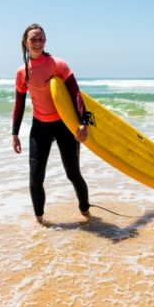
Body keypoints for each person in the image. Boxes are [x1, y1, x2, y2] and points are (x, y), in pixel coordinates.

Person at [11, 23, 91, 225]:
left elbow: (75, 92)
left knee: (73, 173)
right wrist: (15, 133)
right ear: (25, 43)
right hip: (40, 127)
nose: (38, 42)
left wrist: (83, 122)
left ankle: (86, 213)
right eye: (33, 39)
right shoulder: (22, 72)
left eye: (41, 38)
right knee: (35, 177)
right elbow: (19, 104)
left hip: (64, 125)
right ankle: (40, 222)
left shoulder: (58, 64)